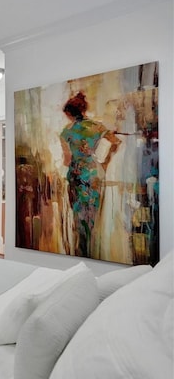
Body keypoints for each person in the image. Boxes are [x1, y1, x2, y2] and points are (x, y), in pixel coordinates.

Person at [60, 92, 120, 257]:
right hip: (93, 173)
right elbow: (115, 142)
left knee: (78, 214)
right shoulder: (97, 126)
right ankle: (91, 252)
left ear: (70, 113)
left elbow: (67, 160)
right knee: (92, 214)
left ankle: (82, 249)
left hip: (76, 175)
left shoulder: (66, 132)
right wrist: (104, 161)